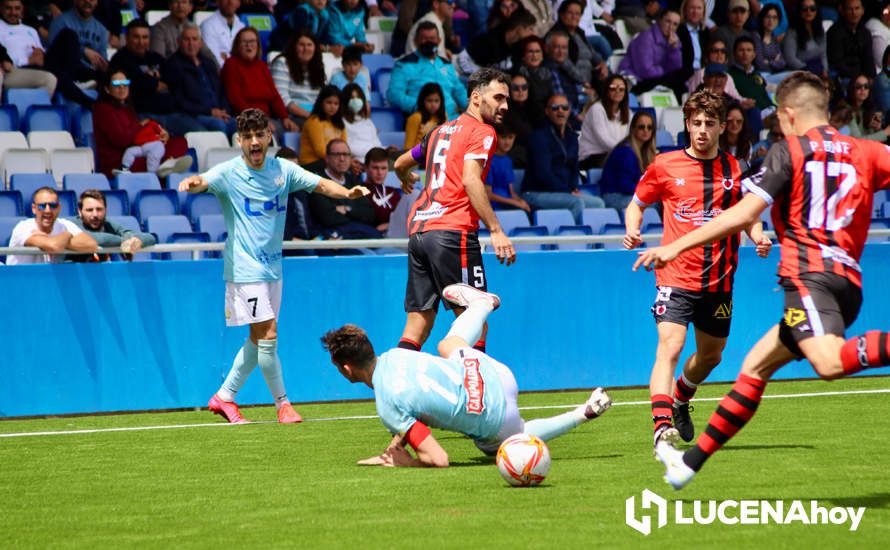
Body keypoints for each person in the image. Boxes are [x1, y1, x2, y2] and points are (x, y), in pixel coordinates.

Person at [639, 71, 890, 490]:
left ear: (789, 115)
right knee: (754, 368)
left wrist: (674, 247)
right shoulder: (868, 149)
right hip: (847, 282)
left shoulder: (788, 152)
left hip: (810, 279)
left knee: (827, 363)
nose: (778, 123)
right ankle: (688, 463)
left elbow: (740, 213)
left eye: (779, 117)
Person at [177, 108, 370, 424]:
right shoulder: (228, 172)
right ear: (240, 141)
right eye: (248, 137)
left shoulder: (283, 170)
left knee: (258, 340)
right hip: (244, 268)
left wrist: (348, 192)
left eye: (259, 135)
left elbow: (321, 185)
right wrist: (194, 182)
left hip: (273, 268)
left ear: (269, 137)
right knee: (268, 334)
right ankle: (283, 405)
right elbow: (203, 182)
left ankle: (223, 398)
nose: (254, 142)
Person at [320, 283, 613, 467]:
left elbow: (440, 459)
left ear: (346, 368)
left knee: (502, 444)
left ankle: (582, 413)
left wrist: (405, 463)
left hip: (498, 418)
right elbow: (414, 403)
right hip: (494, 372)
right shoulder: (397, 355)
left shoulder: (387, 404)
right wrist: (393, 449)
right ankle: (480, 306)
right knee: (449, 345)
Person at [624, 89, 771, 449]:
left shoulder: (735, 169)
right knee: (669, 347)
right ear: (687, 125)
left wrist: (758, 235)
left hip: (720, 281)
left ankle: (681, 397)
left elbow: (747, 215)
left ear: (723, 127)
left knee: (711, 356)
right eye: (696, 123)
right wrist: (632, 228)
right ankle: (661, 427)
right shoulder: (665, 165)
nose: (702, 130)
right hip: (675, 277)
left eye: (709, 123)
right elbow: (636, 203)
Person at [390, 68, 516, 353]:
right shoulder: (483, 132)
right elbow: (471, 179)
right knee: (476, 317)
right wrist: (496, 230)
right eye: (498, 98)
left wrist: (403, 177)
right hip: (452, 231)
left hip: (420, 232)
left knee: (418, 321)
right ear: (475, 97)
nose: (504, 106)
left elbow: (399, 163)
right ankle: (475, 393)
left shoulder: (438, 132)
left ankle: (395, 386)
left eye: (506, 100)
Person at [522, 93, 606, 224]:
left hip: (564, 192)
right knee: (576, 202)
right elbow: (543, 174)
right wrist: (567, 191)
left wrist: (573, 188)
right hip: (535, 193)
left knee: (598, 203)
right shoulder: (539, 137)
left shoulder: (572, 136)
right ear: (547, 111)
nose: (560, 111)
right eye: (555, 107)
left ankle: (593, 242)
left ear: (569, 110)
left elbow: (574, 167)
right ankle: (572, 240)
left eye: (565, 107)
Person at [93, 70, 192, 178]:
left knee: (180, 142)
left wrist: (160, 135)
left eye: (125, 83)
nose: (122, 87)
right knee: (158, 153)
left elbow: (138, 133)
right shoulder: (103, 109)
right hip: (121, 162)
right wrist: (140, 126)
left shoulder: (127, 108)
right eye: (116, 84)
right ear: (107, 89)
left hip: (139, 151)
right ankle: (165, 165)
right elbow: (121, 140)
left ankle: (166, 165)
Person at [221, 27, 298, 136]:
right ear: (237, 45)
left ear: (258, 44)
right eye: (244, 42)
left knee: (292, 129)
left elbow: (274, 96)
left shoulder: (262, 66)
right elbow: (235, 99)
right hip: (245, 117)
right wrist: (258, 119)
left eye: (252, 41)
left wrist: (284, 117)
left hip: (267, 117)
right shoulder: (231, 64)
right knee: (267, 133)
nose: (249, 45)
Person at [162, 24, 236, 136]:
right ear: (179, 42)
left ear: (201, 42)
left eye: (195, 39)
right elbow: (180, 101)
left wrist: (224, 111)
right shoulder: (173, 65)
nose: (191, 43)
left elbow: (221, 91)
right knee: (219, 126)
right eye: (186, 39)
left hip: (218, 113)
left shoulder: (208, 63)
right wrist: (210, 112)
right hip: (194, 115)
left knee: (242, 126)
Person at [387, 21, 468, 121]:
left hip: (452, 120)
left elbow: (459, 91)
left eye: (432, 38)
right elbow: (394, 95)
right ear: (416, 41)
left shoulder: (446, 64)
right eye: (424, 39)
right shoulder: (404, 64)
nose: (429, 42)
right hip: (423, 120)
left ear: (439, 40)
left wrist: (473, 108)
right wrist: (422, 107)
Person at [306, 138, 381, 239]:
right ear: (327, 158)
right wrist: (356, 213)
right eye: (337, 154)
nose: (342, 159)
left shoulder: (353, 181)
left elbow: (369, 214)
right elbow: (328, 218)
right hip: (337, 240)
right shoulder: (318, 183)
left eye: (346, 154)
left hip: (360, 235)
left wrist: (347, 210)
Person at [7, 187, 98, 266]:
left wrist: (62, 238)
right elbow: (54, 246)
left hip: (48, 281)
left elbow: (91, 245)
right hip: (19, 280)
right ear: (34, 209)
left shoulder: (65, 224)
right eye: (42, 206)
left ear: (59, 208)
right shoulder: (23, 227)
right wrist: (67, 236)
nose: (48, 210)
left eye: (53, 206)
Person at [45, 0, 109, 106]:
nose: (88, 1)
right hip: (63, 71)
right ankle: (87, 98)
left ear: (97, 2)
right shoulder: (61, 21)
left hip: (86, 73)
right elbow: (54, 52)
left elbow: (101, 60)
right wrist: (83, 51)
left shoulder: (101, 29)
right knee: (69, 35)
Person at [619, 8, 686, 101]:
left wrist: (674, 49)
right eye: (668, 21)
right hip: (635, 81)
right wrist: (664, 70)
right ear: (660, 20)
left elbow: (676, 67)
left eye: (675, 24)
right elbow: (645, 71)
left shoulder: (673, 40)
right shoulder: (646, 38)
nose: (671, 27)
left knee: (680, 82)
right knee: (676, 84)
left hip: (655, 79)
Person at [69, 189, 156, 261]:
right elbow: (97, 239)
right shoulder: (70, 224)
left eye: (99, 209)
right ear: (80, 212)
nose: (95, 214)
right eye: (89, 210)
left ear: (105, 210)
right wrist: (124, 242)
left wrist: (137, 240)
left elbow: (150, 238)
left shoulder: (108, 224)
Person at [600, 110, 657, 210]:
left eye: (649, 127)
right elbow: (625, 185)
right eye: (641, 127)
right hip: (614, 197)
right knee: (656, 203)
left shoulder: (645, 152)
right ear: (633, 129)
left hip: (628, 195)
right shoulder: (626, 152)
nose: (646, 130)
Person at [0, 0, 57, 97]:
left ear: (22, 9)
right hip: (11, 72)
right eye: (8, 8)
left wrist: (40, 54)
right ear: (1, 9)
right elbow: (6, 62)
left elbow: (40, 53)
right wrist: (27, 60)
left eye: (17, 8)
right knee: (50, 79)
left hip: (36, 69)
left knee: (67, 37)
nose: (13, 12)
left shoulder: (31, 30)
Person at [271, 31, 327, 127]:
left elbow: (323, 97)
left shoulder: (318, 67)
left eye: (309, 45)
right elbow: (281, 97)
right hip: (291, 115)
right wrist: (310, 116)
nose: (306, 49)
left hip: (313, 115)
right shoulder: (282, 63)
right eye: (301, 45)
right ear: (294, 47)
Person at [579, 75, 630, 169]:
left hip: (616, 154)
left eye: (621, 89)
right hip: (592, 157)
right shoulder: (597, 109)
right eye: (613, 88)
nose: (617, 91)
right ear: (606, 90)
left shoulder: (628, 113)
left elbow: (631, 138)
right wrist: (625, 152)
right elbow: (604, 140)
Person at [151, 0, 217, 64]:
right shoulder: (159, 29)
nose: (180, 6)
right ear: (170, 6)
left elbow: (208, 54)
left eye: (184, 2)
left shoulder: (193, 27)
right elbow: (158, 59)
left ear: (190, 7)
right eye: (176, 2)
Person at [485, 123, 530, 214]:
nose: (507, 142)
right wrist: (514, 203)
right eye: (503, 137)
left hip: (507, 203)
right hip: (493, 208)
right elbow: (488, 195)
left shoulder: (508, 160)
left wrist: (520, 201)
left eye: (510, 138)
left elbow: (511, 192)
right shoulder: (488, 160)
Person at [827, 0, 876, 79]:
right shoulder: (834, 32)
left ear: (863, 10)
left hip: (862, 78)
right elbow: (837, 63)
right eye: (850, 9)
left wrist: (871, 78)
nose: (854, 13)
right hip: (843, 77)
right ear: (843, 11)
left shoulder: (865, 32)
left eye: (857, 8)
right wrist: (858, 77)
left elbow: (869, 60)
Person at [340, 83, 384, 171]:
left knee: (407, 158)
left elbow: (377, 144)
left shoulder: (368, 121)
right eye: (352, 98)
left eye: (358, 98)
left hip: (377, 159)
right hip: (361, 162)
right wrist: (371, 152)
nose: (356, 101)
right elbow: (348, 148)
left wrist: (386, 149)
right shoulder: (341, 123)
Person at [299, 85, 348, 165]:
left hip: (332, 162)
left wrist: (348, 160)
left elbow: (344, 147)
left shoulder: (340, 123)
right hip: (312, 164)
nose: (332, 106)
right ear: (321, 102)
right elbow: (320, 151)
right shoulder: (314, 122)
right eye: (329, 102)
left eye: (336, 104)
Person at [728, 36, 775, 113]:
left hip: (769, 112)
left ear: (754, 54)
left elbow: (765, 97)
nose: (745, 53)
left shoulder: (757, 74)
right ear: (734, 54)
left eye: (749, 50)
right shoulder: (729, 76)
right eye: (741, 50)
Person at [783, 0, 827, 77]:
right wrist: (807, 70)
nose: (808, 12)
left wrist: (825, 70)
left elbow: (823, 54)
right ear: (799, 11)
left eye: (812, 8)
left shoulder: (820, 29)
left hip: (818, 69)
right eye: (804, 9)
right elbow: (790, 58)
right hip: (800, 71)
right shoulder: (792, 32)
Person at [841, 74, 890, 141]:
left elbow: (873, 138)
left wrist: (877, 129)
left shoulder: (866, 109)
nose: (863, 89)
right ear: (852, 89)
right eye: (858, 86)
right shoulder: (845, 110)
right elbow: (858, 140)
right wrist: (885, 133)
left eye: (866, 86)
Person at [363, 147, 400, 233]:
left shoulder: (394, 192)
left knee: (414, 194)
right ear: (366, 168)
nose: (380, 173)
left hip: (398, 232)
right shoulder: (360, 191)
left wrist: (389, 225)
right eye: (375, 168)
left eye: (383, 168)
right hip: (375, 235)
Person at [199, 0, 244, 68]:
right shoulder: (207, 25)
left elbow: (245, 57)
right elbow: (213, 59)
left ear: (239, 3)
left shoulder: (242, 27)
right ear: (218, 1)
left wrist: (226, 56)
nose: (230, 2)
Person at [404, 82, 446, 149]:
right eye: (429, 100)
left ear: (441, 101)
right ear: (422, 101)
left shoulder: (444, 116)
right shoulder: (415, 118)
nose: (433, 105)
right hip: (418, 157)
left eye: (436, 101)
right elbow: (408, 147)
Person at [753, 3, 786, 73]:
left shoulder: (774, 38)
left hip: (774, 74)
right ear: (762, 18)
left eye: (774, 17)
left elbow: (783, 63)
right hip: (761, 75)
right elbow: (760, 64)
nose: (771, 21)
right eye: (768, 17)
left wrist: (769, 62)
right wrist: (775, 61)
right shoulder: (756, 37)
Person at [720, 104, 754, 168]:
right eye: (730, 121)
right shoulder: (716, 144)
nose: (734, 124)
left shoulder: (747, 144)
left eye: (739, 121)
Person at [866, 1, 890, 76]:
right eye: (886, 11)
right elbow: (882, 61)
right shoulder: (876, 28)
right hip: (882, 75)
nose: (889, 15)